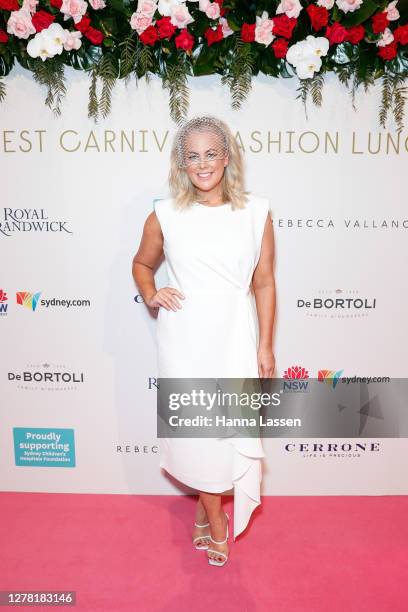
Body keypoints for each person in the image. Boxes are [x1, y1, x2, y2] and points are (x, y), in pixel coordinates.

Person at [132, 115, 276, 567]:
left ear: (227, 156)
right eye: (192, 156)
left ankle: (202, 511)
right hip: (185, 339)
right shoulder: (165, 213)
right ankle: (217, 524)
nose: (202, 164)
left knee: (224, 437)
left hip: (234, 334)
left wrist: (266, 345)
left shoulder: (256, 212)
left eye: (211, 153)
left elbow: (265, 283)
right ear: (181, 163)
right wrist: (152, 294)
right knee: (199, 438)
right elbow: (141, 264)